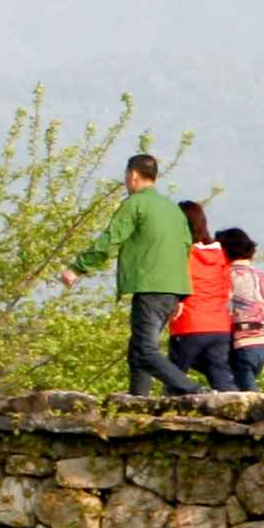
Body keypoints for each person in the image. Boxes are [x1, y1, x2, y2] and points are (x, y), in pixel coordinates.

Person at [77, 152, 196, 396]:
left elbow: (112, 239)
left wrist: (78, 267)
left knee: (145, 350)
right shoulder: (173, 210)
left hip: (149, 286)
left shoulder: (135, 204)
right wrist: (180, 296)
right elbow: (186, 247)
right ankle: (138, 402)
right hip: (172, 290)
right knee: (137, 352)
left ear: (132, 175)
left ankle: (192, 389)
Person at [171, 201, 235, 389]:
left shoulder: (182, 253)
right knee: (221, 378)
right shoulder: (220, 254)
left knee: (175, 378)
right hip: (219, 326)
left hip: (188, 323)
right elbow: (226, 290)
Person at [216, 224, 264, 392]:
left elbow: (223, 309)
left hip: (240, 344)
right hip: (261, 346)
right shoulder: (263, 277)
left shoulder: (227, 276)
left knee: (247, 397)